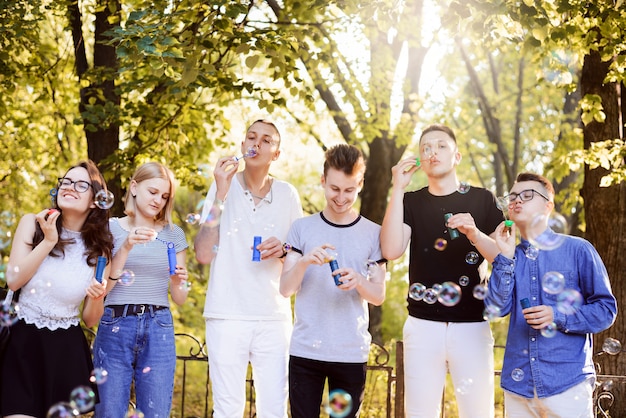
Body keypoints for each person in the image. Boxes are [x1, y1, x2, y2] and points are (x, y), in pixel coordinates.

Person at [380, 124, 503, 417]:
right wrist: (397, 187)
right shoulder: (410, 201)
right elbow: (390, 250)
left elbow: (502, 257)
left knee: (478, 413)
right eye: (426, 148)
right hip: (422, 325)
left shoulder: (483, 199)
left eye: (441, 146)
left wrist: (475, 234)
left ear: (457, 156)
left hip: (473, 324)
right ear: (420, 160)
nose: (432, 152)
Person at [485, 172, 617, 418]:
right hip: (519, 387)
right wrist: (503, 257)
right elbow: (496, 308)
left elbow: (606, 310)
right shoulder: (509, 258)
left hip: (567, 383)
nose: (517, 201)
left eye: (527, 195)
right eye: (512, 196)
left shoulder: (578, 249)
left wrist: (558, 316)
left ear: (548, 206)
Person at [194, 119, 303, 418]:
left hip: (274, 317)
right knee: (227, 410)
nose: (257, 143)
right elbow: (203, 253)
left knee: (274, 410)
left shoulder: (288, 195)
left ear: (276, 154)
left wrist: (283, 251)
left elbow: (299, 257)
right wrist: (220, 194)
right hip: (226, 314)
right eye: (251, 137)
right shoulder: (219, 189)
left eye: (267, 140)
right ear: (242, 146)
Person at [279, 144, 386, 418]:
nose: (341, 197)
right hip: (305, 353)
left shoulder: (374, 233)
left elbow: (378, 295)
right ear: (323, 181)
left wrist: (359, 281)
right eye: (335, 188)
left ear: (360, 184)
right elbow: (285, 288)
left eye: (349, 190)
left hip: (350, 354)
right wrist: (304, 261)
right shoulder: (301, 228)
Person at [1, 160, 113, 417]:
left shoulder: (100, 250)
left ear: (96, 201)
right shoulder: (32, 223)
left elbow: (90, 319)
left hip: (65, 348)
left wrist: (97, 297)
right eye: (66, 181)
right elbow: (14, 280)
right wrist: (49, 240)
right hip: (21, 341)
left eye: (81, 185)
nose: (70, 187)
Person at [93, 162, 190, 418]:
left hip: (158, 326)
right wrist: (125, 247)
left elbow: (179, 298)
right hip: (115, 323)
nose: (159, 200)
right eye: (153, 192)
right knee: (109, 411)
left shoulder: (173, 234)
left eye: (165, 196)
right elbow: (102, 288)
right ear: (134, 187)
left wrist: (179, 282)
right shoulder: (110, 228)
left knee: (156, 412)